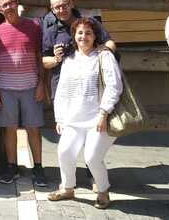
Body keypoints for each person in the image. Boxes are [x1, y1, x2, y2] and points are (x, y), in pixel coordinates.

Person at [49, 18, 123, 210]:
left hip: (99, 120)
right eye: (80, 33)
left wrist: (103, 113)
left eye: (88, 33)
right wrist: (60, 118)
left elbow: (114, 86)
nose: (84, 37)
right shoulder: (70, 59)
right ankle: (67, 188)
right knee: (65, 152)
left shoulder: (104, 56)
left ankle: (103, 191)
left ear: (95, 36)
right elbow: (62, 91)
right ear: (74, 36)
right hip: (73, 119)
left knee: (92, 157)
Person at [0, 0, 46, 187]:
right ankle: (12, 167)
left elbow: (40, 56)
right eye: (4, 5)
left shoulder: (33, 26)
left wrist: (41, 83)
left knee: (33, 128)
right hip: (5, 87)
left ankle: (38, 167)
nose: (9, 7)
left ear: (16, 3)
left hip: (31, 86)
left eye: (11, 3)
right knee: (9, 128)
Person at [42, 0, 116, 98]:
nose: (62, 10)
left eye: (64, 5)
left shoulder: (89, 23)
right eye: (57, 7)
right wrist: (56, 59)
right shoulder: (51, 31)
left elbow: (109, 42)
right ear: (52, 9)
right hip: (63, 88)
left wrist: (102, 52)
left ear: (71, 4)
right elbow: (44, 61)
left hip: (91, 85)